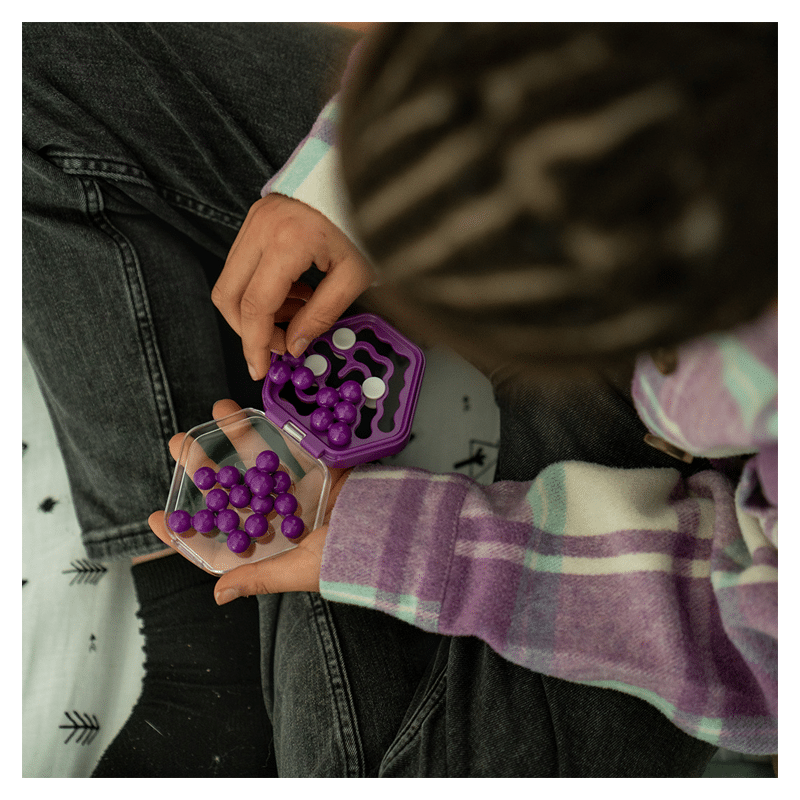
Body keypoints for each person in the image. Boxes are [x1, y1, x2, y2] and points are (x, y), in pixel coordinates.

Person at [23, 22, 776, 777]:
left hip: (710, 570)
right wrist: (344, 183)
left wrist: (424, 546)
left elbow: (755, 656)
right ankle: (197, 618)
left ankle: (227, 667)